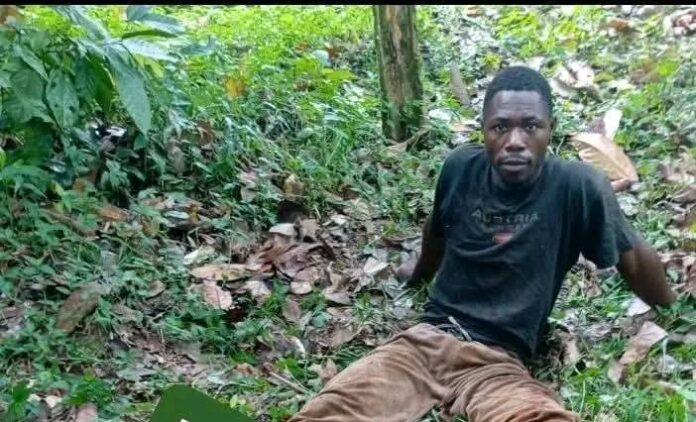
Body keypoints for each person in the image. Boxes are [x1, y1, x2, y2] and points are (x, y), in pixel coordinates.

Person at [289, 66, 677, 422]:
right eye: (500, 127)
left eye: (531, 126)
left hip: (498, 363)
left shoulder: (577, 185)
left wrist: (670, 308)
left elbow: (631, 258)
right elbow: (437, 230)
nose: (515, 141)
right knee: (326, 413)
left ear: (551, 130)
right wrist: (418, 271)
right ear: (484, 130)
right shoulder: (461, 167)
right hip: (427, 342)